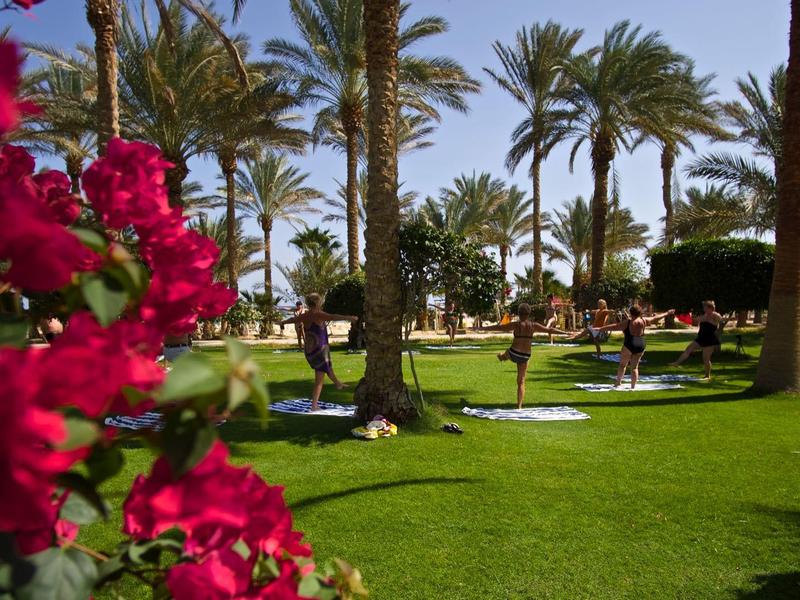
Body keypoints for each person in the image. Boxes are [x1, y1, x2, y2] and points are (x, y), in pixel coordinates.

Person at [279, 293, 358, 411]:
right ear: (317, 303)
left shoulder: (305, 315)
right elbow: (334, 316)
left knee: (325, 367)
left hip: (309, 350)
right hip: (320, 348)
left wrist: (282, 322)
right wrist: (350, 318)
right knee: (320, 377)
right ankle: (314, 405)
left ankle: (338, 383)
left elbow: (293, 319)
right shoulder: (319, 314)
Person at [479, 303, 567, 409]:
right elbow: (550, 330)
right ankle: (519, 406)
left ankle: (502, 357)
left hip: (513, 353)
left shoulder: (516, 324)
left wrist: (480, 328)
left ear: (519, 314)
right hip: (525, 356)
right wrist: (565, 333)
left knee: (506, 354)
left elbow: (498, 327)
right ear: (529, 314)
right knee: (521, 381)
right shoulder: (533, 325)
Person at [594, 305, 675, 389]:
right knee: (634, 367)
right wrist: (667, 313)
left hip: (630, 342)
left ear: (630, 312)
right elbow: (656, 318)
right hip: (640, 343)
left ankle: (618, 383)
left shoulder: (628, 322)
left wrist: (600, 329)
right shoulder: (644, 320)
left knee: (622, 365)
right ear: (640, 312)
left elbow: (615, 327)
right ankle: (633, 386)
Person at [669, 300, 724, 379]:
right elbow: (695, 320)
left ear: (710, 308)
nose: (704, 309)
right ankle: (677, 363)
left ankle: (707, 375)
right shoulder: (704, 315)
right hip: (700, 338)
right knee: (689, 349)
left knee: (706, 358)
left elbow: (721, 321)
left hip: (710, 339)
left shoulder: (715, 315)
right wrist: (683, 316)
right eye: (704, 307)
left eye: (705, 307)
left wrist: (718, 325)